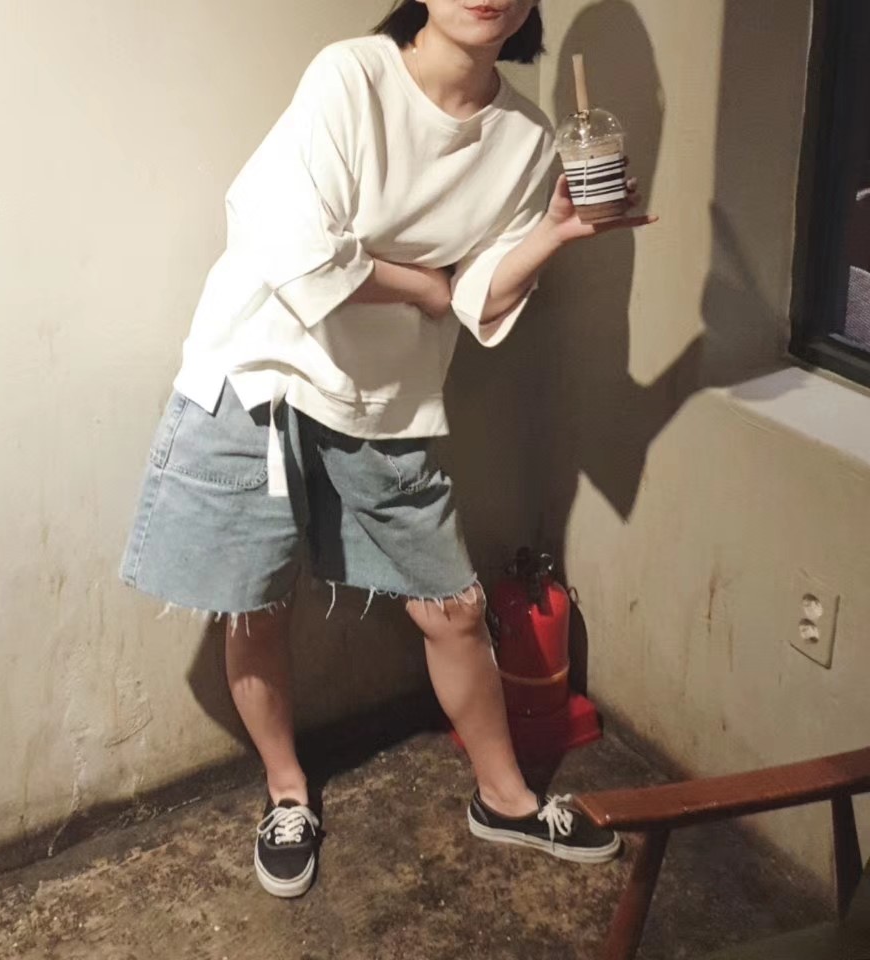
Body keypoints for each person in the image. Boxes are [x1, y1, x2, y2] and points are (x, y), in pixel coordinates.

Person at [120, 0, 656, 899]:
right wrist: (425, 287)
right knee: (255, 606)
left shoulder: (527, 138)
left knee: (453, 609)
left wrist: (554, 233)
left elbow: (479, 296)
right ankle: (288, 795)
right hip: (261, 371)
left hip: (382, 397)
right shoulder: (353, 75)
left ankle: (506, 798)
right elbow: (291, 244)